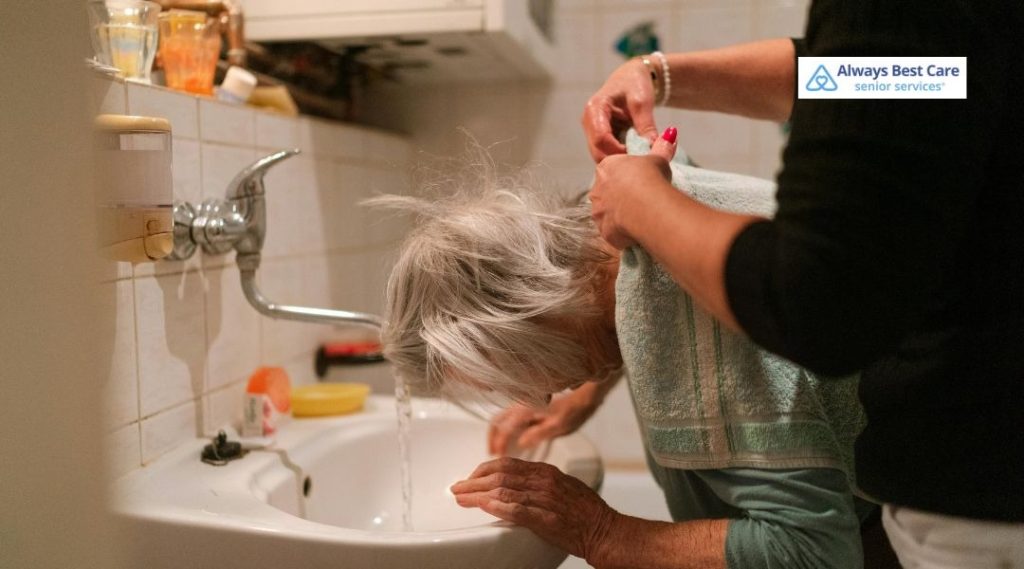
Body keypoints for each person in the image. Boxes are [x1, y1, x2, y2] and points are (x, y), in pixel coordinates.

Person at [582, 2, 1024, 567]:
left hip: (984, 487)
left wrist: (643, 204)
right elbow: (918, 78)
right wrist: (662, 75)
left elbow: (819, 304)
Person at [372, 141, 881, 568]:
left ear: (531, 310)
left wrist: (602, 532)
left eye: (516, 368)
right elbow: (646, 308)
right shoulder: (629, 214)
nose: (543, 397)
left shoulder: (694, 330)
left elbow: (818, 552)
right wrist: (592, 384)